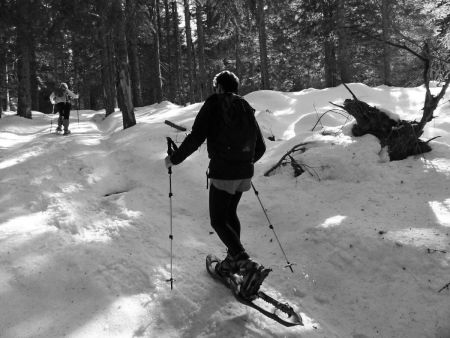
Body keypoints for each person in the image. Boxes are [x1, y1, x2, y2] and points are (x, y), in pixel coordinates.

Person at [165, 70, 268, 296]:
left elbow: (196, 137)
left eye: (216, 87)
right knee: (230, 215)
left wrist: (174, 159)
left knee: (218, 220)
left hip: (224, 171)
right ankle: (233, 260)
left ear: (219, 87)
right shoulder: (245, 107)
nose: (215, 91)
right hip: (245, 173)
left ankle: (246, 264)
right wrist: (244, 162)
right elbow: (260, 147)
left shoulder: (214, 104)